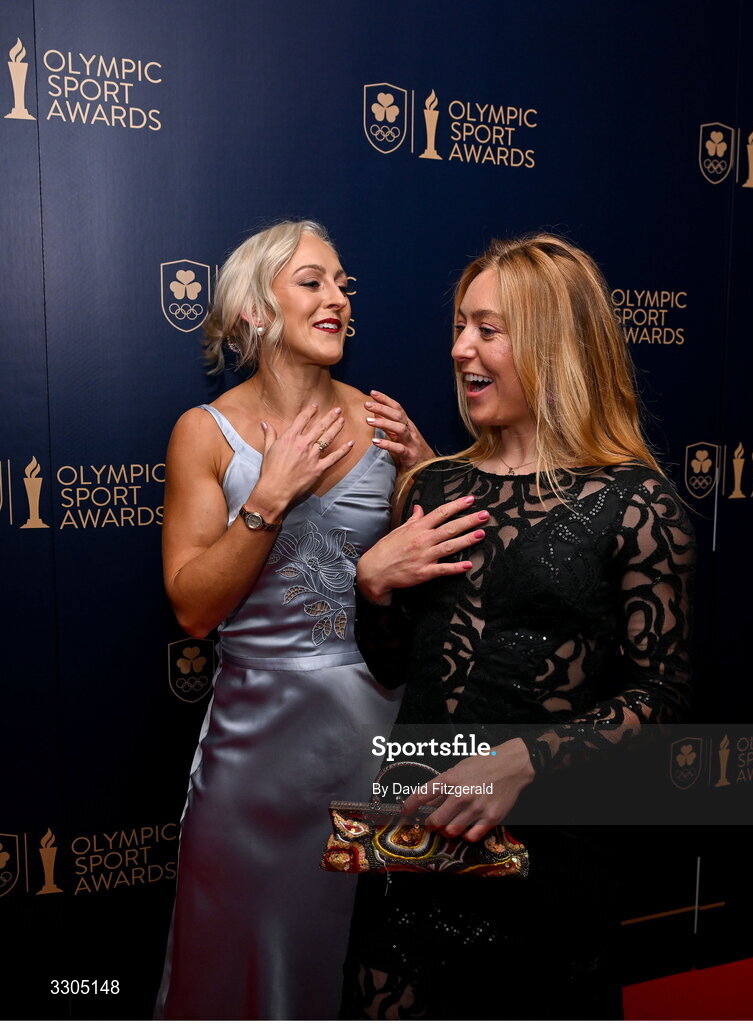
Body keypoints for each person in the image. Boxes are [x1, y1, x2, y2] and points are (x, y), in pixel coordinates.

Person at [342, 233, 696, 1019]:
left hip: (547, 852)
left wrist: (525, 761)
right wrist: (371, 586)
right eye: (459, 327)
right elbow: (393, 667)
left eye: (487, 330)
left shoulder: (635, 504)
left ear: (551, 343)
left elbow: (662, 693)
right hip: (414, 834)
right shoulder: (433, 485)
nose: (459, 348)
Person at [154, 220, 431, 1020]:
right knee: (240, 964)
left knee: (369, 962)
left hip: (379, 742)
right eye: (312, 282)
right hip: (256, 759)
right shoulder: (206, 433)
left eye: (342, 283)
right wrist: (267, 498)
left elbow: (443, 596)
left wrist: (425, 475)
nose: (337, 298)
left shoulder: (384, 424)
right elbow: (193, 609)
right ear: (254, 309)